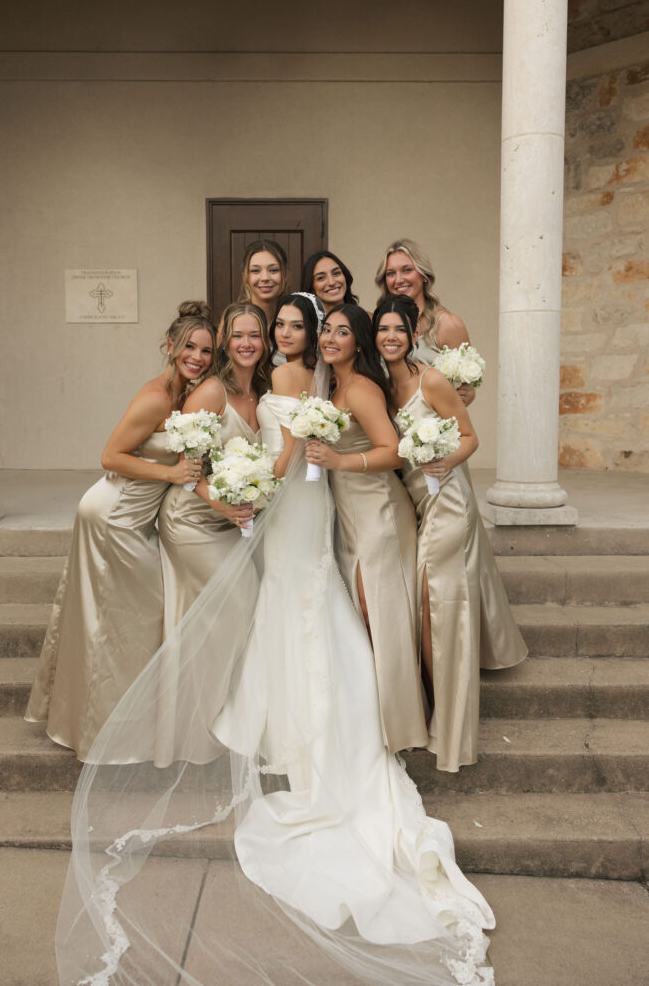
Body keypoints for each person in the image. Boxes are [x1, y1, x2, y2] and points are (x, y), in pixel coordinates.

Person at [56, 295, 496, 986]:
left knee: (304, 593)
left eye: (287, 328)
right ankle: (278, 714)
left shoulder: (313, 382)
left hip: (300, 499)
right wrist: (242, 488)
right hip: (270, 503)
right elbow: (198, 463)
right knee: (280, 599)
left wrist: (292, 458)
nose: (275, 338)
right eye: (267, 329)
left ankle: (318, 727)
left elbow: (341, 446)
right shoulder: (239, 388)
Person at [24, 301, 214, 761]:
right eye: (189, 346)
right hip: (113, 515)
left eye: (207, 350)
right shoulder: (155, 396)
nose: (198, 356)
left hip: (132, 518)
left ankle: (99, 720)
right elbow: (110, 456)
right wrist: (171, 475)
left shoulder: (187, 396)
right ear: (169, 347)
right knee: (116, 621)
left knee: (115, 619)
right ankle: (98, 732)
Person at [375, 294, 527, 772]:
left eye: (400, 329)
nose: (392, 337)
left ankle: (454, 729)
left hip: (448, 505)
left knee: (441, 611)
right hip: (418, 506)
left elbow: (469, 437)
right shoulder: (381, 388)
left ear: (413, 336)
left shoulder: (431, 380)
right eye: (384, 330)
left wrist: (444, 461)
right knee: (426, 612)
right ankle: (435, 710)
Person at [305, 302, 428, 754]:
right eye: (326, 331)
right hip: (351, 516)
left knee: (384, 618)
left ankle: (401, 727)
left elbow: (393, 451)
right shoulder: (333, 386)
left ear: (359, 341)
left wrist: (339, 460)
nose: (331, 339)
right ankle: (378, 718)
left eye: (342, 332)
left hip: (379, 514)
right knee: (365, 616)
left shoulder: (359, 389)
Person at [158, 302, 272, 637]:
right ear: (225, 343)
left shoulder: (265, 392)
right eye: (237, 336)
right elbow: (186, 465)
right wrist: (219, 503)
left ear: (265, 342)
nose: (246, 343)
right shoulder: (211, 391)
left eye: (254, 335)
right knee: (241, 597)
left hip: (234, 522)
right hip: (192, 518)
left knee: (240, 611)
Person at [375, 238, 475, 405]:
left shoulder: (448, 324)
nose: (398, 280)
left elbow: (468, 390)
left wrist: (466, 396)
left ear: (423, 275)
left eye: (407, 270)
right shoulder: (380, 324)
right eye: (391, 273)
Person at [237, 238, 290, 325]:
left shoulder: (297, 316)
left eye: (273, 270)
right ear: (245, 277)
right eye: (255, 270)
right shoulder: (234, 318)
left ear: (285, 275)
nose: (265, 278)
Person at [301, 249, 359, 313]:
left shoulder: (367, 319)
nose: (332, 282)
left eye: (336, 273)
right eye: (321, 278)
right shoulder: (304, 322)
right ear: (311, 287)